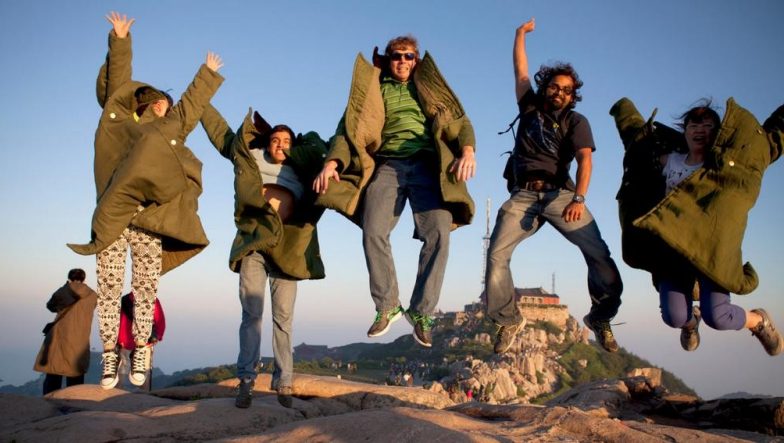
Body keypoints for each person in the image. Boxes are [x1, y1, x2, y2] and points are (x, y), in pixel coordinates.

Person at [68, 12, 224, 389]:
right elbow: (117, 88)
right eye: (155, 101)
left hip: (151, 221)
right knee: (107, 289)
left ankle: (141, 346)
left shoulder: (170, 130)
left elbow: (188, 108)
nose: (162, 106)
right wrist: (119, 40)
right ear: (141, 104)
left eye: (165, 104)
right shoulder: (119, 126)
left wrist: (206, 74)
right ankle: (108, 355)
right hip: (112, 217)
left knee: (145, 289)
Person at [313, 35, 476, 348]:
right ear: (388, 60)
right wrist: (332, 163)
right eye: (397, 56)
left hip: (429, 166)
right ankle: (387, 305)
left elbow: (460, 121)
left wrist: (468, 151)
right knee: (373, 229)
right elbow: (346, 131)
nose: (403, 61)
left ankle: (422, 312)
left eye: (409, 56)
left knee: (439, 234)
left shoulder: (428, 89)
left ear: (416, 60)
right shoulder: (374, 90)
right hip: (388, 165)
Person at [486, 18, 623, 354]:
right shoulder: (529, 106)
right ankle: (507, 320)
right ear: (545, 86)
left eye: (567, 90)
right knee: (495, 256)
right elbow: (520, 71)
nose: (559, 93)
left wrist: (579, 198)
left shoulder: (576, 121)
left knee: (598, 255)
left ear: (573, 95)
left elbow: (585, 160)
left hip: (561, 194)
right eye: (554, 86)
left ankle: (601, 317)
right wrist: (519, 35)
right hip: (523, 195)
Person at [611, 96, 784, 356]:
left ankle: (759, 321)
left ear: (718, 133)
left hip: (711, 251)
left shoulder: (728, 164)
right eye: (694, 125)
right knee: (674, 317)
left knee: (718, 317)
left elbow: (767, 142)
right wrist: (624, 110)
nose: (700, 130)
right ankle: (691, 323)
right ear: (685, 131)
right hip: (672, 251)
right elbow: (638, 143)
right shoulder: (668, 160)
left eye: (707, 126)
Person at [200, 103, 328, 409]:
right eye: (275, 140)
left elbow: (321, 146)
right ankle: (246, 382)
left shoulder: (302, 167)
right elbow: (221, 134)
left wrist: (301, 148)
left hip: (288, 248)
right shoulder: (250, 157)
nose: (281, 145)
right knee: (252, 314)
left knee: (283, 319)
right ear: (266, 143)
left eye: (286, 142)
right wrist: (200, 97)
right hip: (254, 244)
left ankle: (283, 382)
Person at [34, 269, 97, 395]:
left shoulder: (64, 291)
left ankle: (49, 400)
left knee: (54, 371)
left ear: (69, 277)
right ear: (84, 279)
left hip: (60, 334)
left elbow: (51, 306)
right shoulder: (93, 295)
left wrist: (66, 288)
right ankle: (75, 402)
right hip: (80, 338)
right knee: (76, 373)